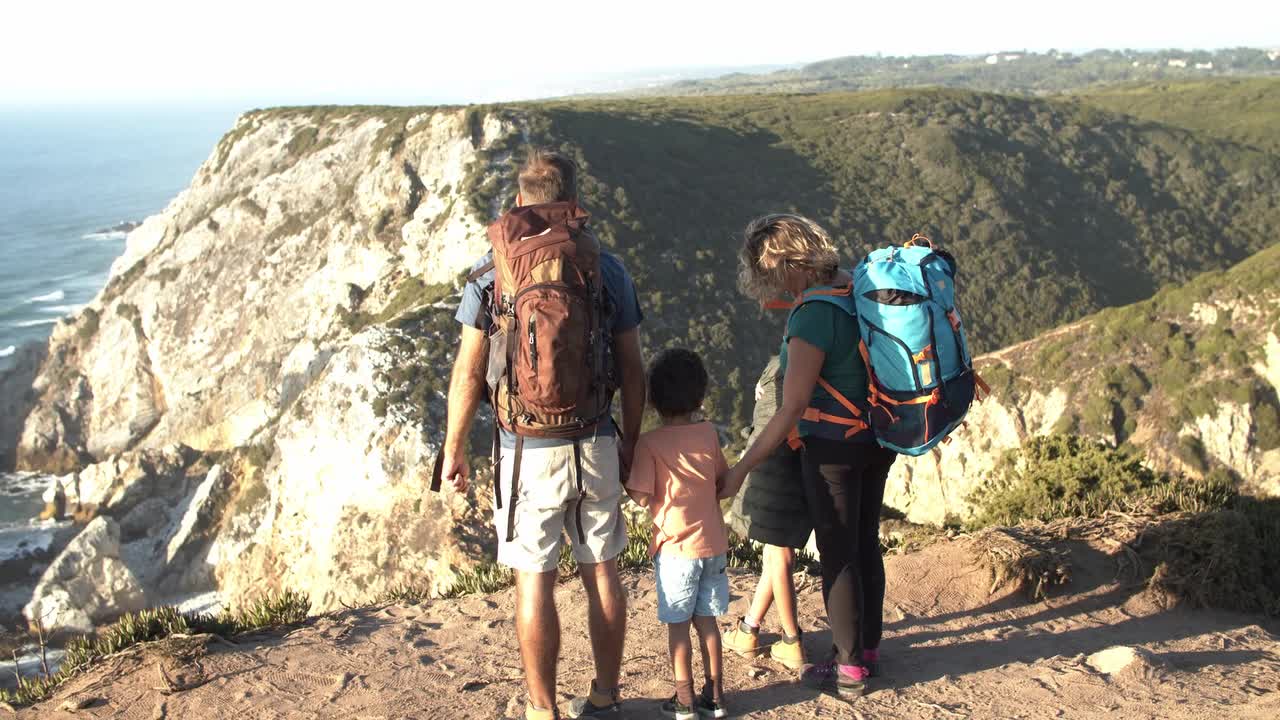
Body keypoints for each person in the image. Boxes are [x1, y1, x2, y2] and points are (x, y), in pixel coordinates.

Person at [439, 149, 647, 720]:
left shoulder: (493, 272)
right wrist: (632, 440)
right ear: (572, 200)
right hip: (596, 437)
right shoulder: (607, 270)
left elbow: (468, 370)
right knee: (601, 568)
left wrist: (453, 447)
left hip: (526, 445)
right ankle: (605, 696)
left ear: (521, 203)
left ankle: (542, 708)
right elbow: (631, 366)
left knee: (535, 580)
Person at [720, 214, 895, 698]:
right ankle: (870, 651)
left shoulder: (811, 316)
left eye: (768, 274)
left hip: (832, 447)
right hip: (878, 438)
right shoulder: (856, 285)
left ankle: (849, 668)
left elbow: (791, 406)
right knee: (864, 542)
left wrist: (742, 468)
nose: (768, 287)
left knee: (838, 555)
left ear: (782, 264)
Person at [625, 348, 736, 720]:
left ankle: (684, 699)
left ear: (652, 401)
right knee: (708, 623)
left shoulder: (650, 444)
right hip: (713, 547)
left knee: (678, 627)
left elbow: (640, 497)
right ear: (701, 397)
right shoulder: (707, 434)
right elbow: (721, 479)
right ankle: (716, 696)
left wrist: (626, 475)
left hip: (676, 551)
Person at [723, 355, 809, 671]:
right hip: (807, 454)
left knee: (779, 553)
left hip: (781, 455)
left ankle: (790, 640)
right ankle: (748, 630)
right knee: (776, 552)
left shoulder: (796, 355)